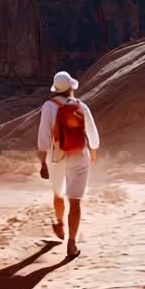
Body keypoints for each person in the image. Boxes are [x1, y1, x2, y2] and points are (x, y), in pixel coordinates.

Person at [37, 70, 100, 258]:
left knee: (58, 193)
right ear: (72, 87)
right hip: (80, 154)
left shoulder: (48, 106)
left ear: (56, 90)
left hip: (57, 155)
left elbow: (43, 137)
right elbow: (93, 136)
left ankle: (60, 224)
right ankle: (72, 244)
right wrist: (93, 152)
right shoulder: (81, 106)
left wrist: (43, 162)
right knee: (75, 200)